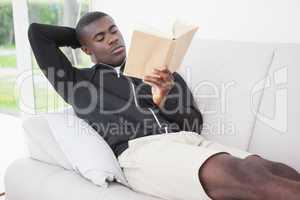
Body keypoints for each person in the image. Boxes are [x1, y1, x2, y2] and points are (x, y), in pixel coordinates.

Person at [28, 11, 300, 200]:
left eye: (113, 31)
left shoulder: (158, 69)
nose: (112, 38)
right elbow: (37, 33)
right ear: (85, 49)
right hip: (142, 154)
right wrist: (80, 34)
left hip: (188, 140)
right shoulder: (76, 83)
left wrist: (165, 95)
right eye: (99, 38)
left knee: (265, 168)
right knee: (240, 173)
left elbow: (193, 124)